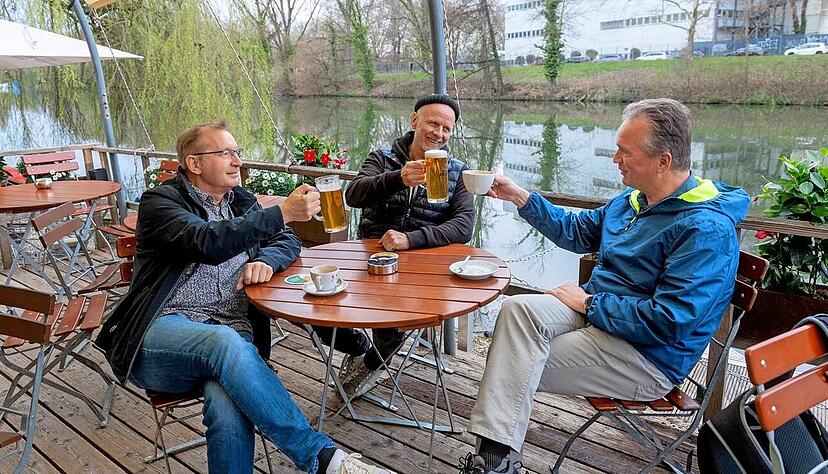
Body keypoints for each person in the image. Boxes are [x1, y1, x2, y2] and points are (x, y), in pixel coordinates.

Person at [458, 98, 750, 474]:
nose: (615, 160)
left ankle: (493, 463)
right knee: (517, 310)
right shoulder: (633, 202)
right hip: (601, 316)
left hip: (646, 356)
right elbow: (577, 231)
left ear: (663, 161)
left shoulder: (705, 229)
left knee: (511, 363)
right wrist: (520, 197)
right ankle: (497, 460)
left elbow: (670, 320)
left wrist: (589, 305)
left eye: (624, 152)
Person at [95, 120, 392, 474]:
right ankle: (322, 459)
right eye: (226, 153)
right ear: (195, 163)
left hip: (233, 339)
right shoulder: (161, 202)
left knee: (227, 401)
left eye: (238, 152)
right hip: (161, 337)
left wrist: (265, 259)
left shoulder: (241, 201)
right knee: (223, 343)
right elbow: (207, 241)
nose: (238, 161)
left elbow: (287, 240)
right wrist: (283, 212)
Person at [311, 94, 474, 399]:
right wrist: (397, 178)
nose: (439, 133)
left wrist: (412, 239)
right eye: (433, 123)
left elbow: (464, 225)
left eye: (447, 129)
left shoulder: (458, 170)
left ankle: (372, 363)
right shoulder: (382, 158)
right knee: (315, 305)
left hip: (421, 265)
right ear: (415, 121)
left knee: (393, 323)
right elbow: (354, 195)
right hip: (369, 256)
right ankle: (359, 347)